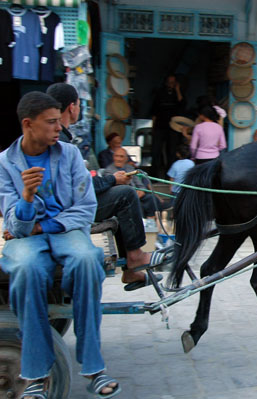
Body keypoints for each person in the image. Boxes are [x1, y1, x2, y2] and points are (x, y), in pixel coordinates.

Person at [0, 92, 121, 398]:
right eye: (51, 122)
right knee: (25, 269)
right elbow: (15, 225)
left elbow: (85, 208)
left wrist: (44, 224)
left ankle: (94, 368)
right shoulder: (5, 164)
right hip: (29, 239)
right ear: (29, 124)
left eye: (59, 121)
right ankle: (36, 375)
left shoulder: (68, 155)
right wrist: (26, 198)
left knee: (86, 261)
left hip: (65, 231)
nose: (59, 127)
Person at [48, 83, 164, 291]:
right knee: (125, 195)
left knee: (120, 201)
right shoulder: (61, 141)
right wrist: (112, 180)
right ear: (72, 108)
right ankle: (136, 258)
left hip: (63, 204)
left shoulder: (59, 139)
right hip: (67, 209)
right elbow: (80, 188)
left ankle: (131, 270)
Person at [105, 148, 169, 219]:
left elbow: (140, 184)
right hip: (123, 196)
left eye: (121, 156)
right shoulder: (109, 171)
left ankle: (152, 221)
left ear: (126, 159)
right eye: (116, 156)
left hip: (137, 195)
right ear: (113, 157)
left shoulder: (130, 168)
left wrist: (141, 190)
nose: (118, 159)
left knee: (152, 199)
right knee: (137, 206)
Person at [151, 74, 184, 178]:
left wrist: (177, 89)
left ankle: (169, 177)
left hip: (173, 128)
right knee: (156, 151)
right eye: (169, 82)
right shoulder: (160, 93)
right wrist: (153, 126)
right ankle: (154, 176)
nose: (171, 84)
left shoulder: (178, 93)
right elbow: (154, 110)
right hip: (160, 126)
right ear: (166, 82)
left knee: (172, 152)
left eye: (173, 82)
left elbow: (182, 104)